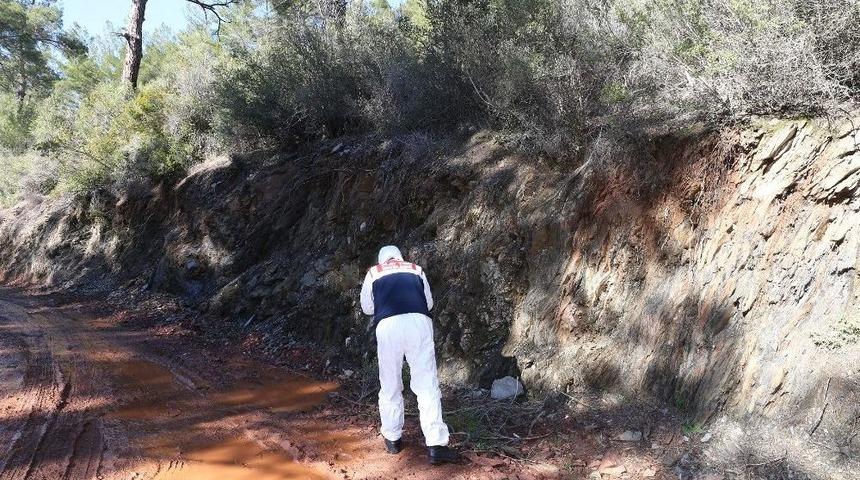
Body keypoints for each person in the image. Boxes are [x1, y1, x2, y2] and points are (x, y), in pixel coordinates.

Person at [360, 245, 459, 465]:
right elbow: (429, 303)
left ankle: (393, 438)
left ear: (381, 259)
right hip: (419, 323)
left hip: (388, 326)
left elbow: (367, 307)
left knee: (391, 382)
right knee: (426, 384)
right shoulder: (416, 269)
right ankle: (436, 445)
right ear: (400, 257)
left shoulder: (374, 272)